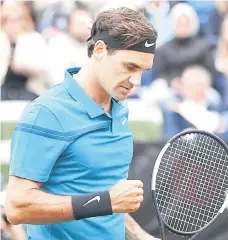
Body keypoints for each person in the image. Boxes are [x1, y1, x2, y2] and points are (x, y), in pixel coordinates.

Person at [5, 7, 160, 240]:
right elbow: (17, 207)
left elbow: (102, 198)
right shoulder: (46, 112)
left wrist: (141, 235)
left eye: (143, 70)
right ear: (99, 50)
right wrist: (106, 202)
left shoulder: (119, 109)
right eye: (130, 67)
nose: (137, 81)